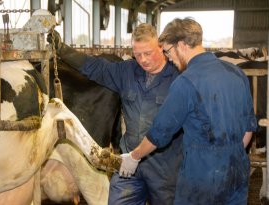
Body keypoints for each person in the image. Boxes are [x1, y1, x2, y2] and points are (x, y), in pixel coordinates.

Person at [119, 18, 257, 205]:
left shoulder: (185, 82)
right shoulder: (236, 72)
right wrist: (229, 156)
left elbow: (159, 133)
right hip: (237, 171)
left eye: (168, 51)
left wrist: (134, 156)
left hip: (201, 177)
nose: (169, 58)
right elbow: (248, 127)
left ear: (182, 45)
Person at [49, 23, 183, 204]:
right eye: (137, 54)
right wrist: (61, 48)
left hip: (165, 167)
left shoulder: (179, 77)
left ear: (160, 46)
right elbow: (94, 67)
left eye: (148, 53)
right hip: (129, 162)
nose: (143, 60)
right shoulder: (127, 71)